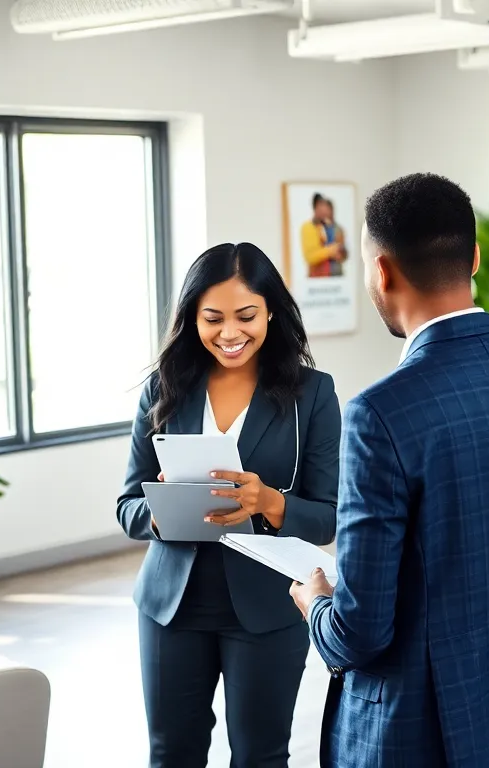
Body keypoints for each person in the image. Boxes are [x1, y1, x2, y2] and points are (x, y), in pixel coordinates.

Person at [289, 173, 489, 768]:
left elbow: (359, 631)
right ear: (474, 257)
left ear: (382, 272)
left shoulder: (380, 412)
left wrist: (315, 601)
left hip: (425, 726)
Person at [116, 242, 341, 768]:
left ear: (271, 313)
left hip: (268, 606)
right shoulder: (163, 389)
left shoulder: (313, 395)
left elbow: (328, 515)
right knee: (172, 754)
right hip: (171, 607)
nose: (230, 333)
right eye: (212, 318)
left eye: (246, 316)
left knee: (260, 757)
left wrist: (269, 502)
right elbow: (128, 504)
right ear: (192, 317)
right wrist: (162, 506)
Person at [301, 193, 347, 278]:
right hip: (317, 277)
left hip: (336, 275)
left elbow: (343, 252)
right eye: (321, 206)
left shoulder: (335, 228)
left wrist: (340, 253)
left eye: (326, 207)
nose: (324, 210)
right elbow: (310, 256)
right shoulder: (309, 227)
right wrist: (331, 250)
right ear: (315, 208)